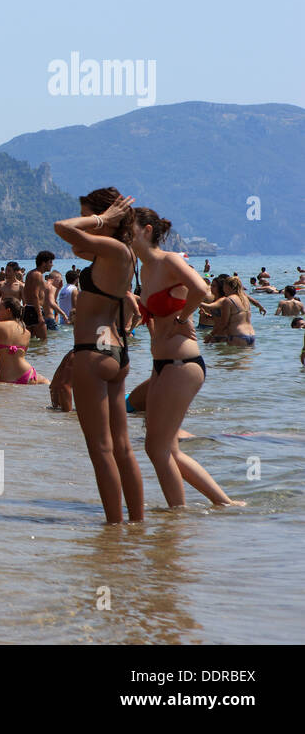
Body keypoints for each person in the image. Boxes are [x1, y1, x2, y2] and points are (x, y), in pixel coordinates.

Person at [131, 206, 242, 507]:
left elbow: (201, 287)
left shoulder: (168, 261)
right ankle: (224, 503)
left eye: (130, 226)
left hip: (183, 365)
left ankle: (176, 517)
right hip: (163, 365)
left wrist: (181, 319)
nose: (124, 233)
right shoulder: (145, 269)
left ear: (147, 231)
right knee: (167, 449)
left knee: (157, 449)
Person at [53, 187, 143, 524]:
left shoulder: (111, 247)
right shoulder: (123, 253)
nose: (90, 224)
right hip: (115, 349)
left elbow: (62, 227)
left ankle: (114, 530)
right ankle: (137, 525)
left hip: (92, 349)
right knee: (122, 447)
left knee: (101, 449)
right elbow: (75, 242)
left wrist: (101, 219)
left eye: (92, 216)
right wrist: (100, 224)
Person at [0, 297, 47, 384]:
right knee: (47, 383)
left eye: (0, 309)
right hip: (29, 374)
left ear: (8, 311)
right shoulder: (26, 332)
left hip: (7, 379)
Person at [204, 276, 257, 347]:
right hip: (251, 335)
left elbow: (224, 323)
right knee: (244, 358)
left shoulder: (228, 300)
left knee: (230, 358)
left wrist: (210, 335)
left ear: (227, 287)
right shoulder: (245, 299)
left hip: (237, 335)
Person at [21, 250, 58, 340]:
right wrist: (40, 315)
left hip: (29, 309)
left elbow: (28, 292)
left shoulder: (32, 273)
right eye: (50, 262)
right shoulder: (37, 275)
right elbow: (35, 295)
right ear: (43, 263)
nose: (52, 265)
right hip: (34, 310)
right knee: (43, 341)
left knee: (31, 341)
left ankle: (33, 355)